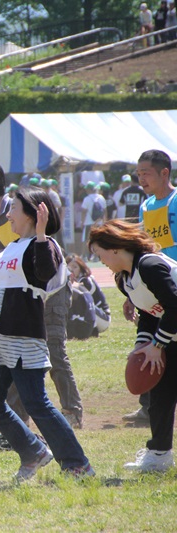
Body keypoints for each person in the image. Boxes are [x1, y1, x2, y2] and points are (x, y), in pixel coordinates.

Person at [0, 188, 94, 480]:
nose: (9, 213)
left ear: (33, 213)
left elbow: (43, 273)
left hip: (24, 335)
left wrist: (40, 235)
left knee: (35, 401)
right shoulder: (13, 245)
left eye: (13, 208)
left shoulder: (46, 244)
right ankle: (33, 451)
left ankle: (77, 464)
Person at [92, 220, 177, 471]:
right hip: (171, 335)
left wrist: (157, 344)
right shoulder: (125, 279)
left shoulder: (149, 265)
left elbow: (174, 305)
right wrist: (143, 346)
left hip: (171, 332)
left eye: (100, 254)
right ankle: (159, 455)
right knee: (160, 395)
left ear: (115, 248)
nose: (101, 261)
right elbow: (150, 313)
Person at [123, 149, 177, 423]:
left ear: (164, 173)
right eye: (138, 173)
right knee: (151, 345)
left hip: (173, 285)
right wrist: (133, 293)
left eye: (146, 173)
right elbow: (146, 248)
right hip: (154, 284)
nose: (140, 178)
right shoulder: (146, 207)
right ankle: (150, 406)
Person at [67, 255, 111, 334]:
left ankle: (91, 329)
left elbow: (87, 303)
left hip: (103, 317)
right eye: (69, 268)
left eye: (75, 267)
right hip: (93, 314)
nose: (72, 270)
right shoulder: (73, 280)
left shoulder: (86, 280)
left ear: (81, 268)